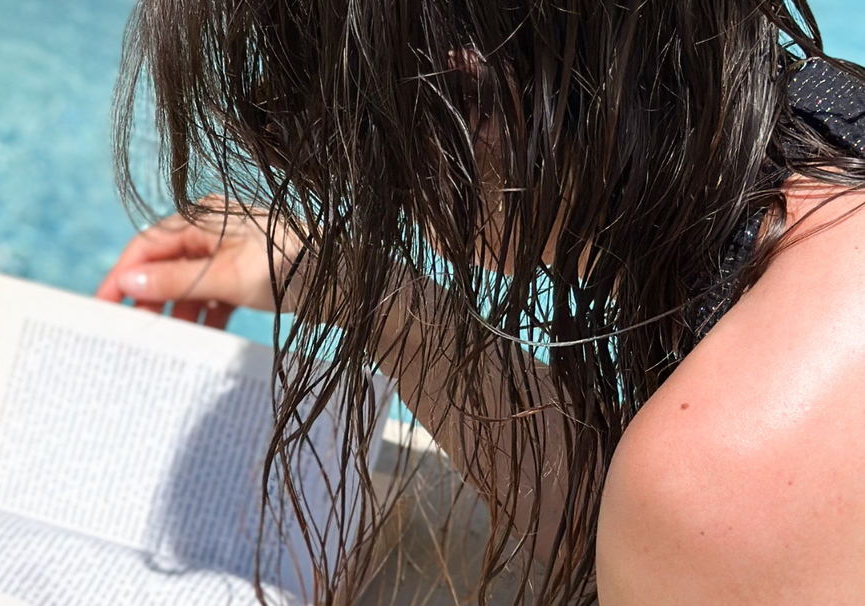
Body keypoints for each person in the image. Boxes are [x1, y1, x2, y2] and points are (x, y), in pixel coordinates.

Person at [95, 1, 865, 604]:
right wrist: (370, 293)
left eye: (314, 117)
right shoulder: (827, 124)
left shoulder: (729, 470)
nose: (354, 184)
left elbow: (689, 528)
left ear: (472, 99)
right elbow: (633, 541)